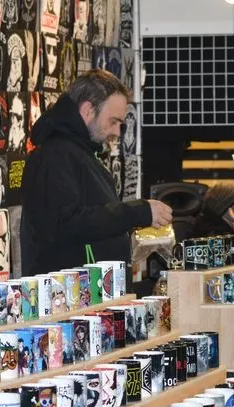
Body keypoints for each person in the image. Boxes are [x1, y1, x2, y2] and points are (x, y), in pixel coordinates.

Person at [20, 70, 172, 277]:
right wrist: (136, 213)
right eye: (113, 121)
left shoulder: (78, 154)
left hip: (88, 289)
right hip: (72, 292)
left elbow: (91, 222)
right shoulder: (55, 156)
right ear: (87, 111)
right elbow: (65, 224)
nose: (116, 132)